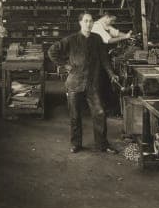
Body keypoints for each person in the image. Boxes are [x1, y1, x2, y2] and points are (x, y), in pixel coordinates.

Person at [48, 12, 122, 154]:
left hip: (92, 83)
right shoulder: (71, 40)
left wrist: (112, 74)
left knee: (99, 113)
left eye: (91, 21)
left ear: (93, 23)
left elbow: (104, 59)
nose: (89, 24)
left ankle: (102, 144)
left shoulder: (97, 39)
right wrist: (64, 65)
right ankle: (76, 144)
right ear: (80, 23)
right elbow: (52, 51)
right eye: (86, 21)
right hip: (75, 83)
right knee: (75, 115)